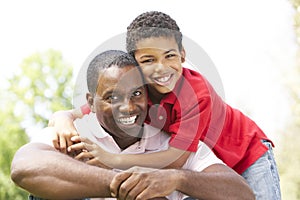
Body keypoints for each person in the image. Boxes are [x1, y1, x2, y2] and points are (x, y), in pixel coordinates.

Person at [49, 11, 281, 199]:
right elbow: (95, 107)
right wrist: (63, 118)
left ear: (182, 55)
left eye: (169, 56)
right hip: (210, 165)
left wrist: (114, 160)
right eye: (148, 60)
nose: (161, 68)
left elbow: (175, 160)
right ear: (135, 64)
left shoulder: (196, 94)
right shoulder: (137, 92)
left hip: (247, 154)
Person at [11, 50, 255, 200]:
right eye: (112, 97)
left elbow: (242, 193)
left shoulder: (170, 144)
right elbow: (24, 167)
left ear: (148, 94)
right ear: (90, 102)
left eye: (136, 94)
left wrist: (177, 179)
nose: (127, 107)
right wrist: (122, 185)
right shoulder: (74, 134)